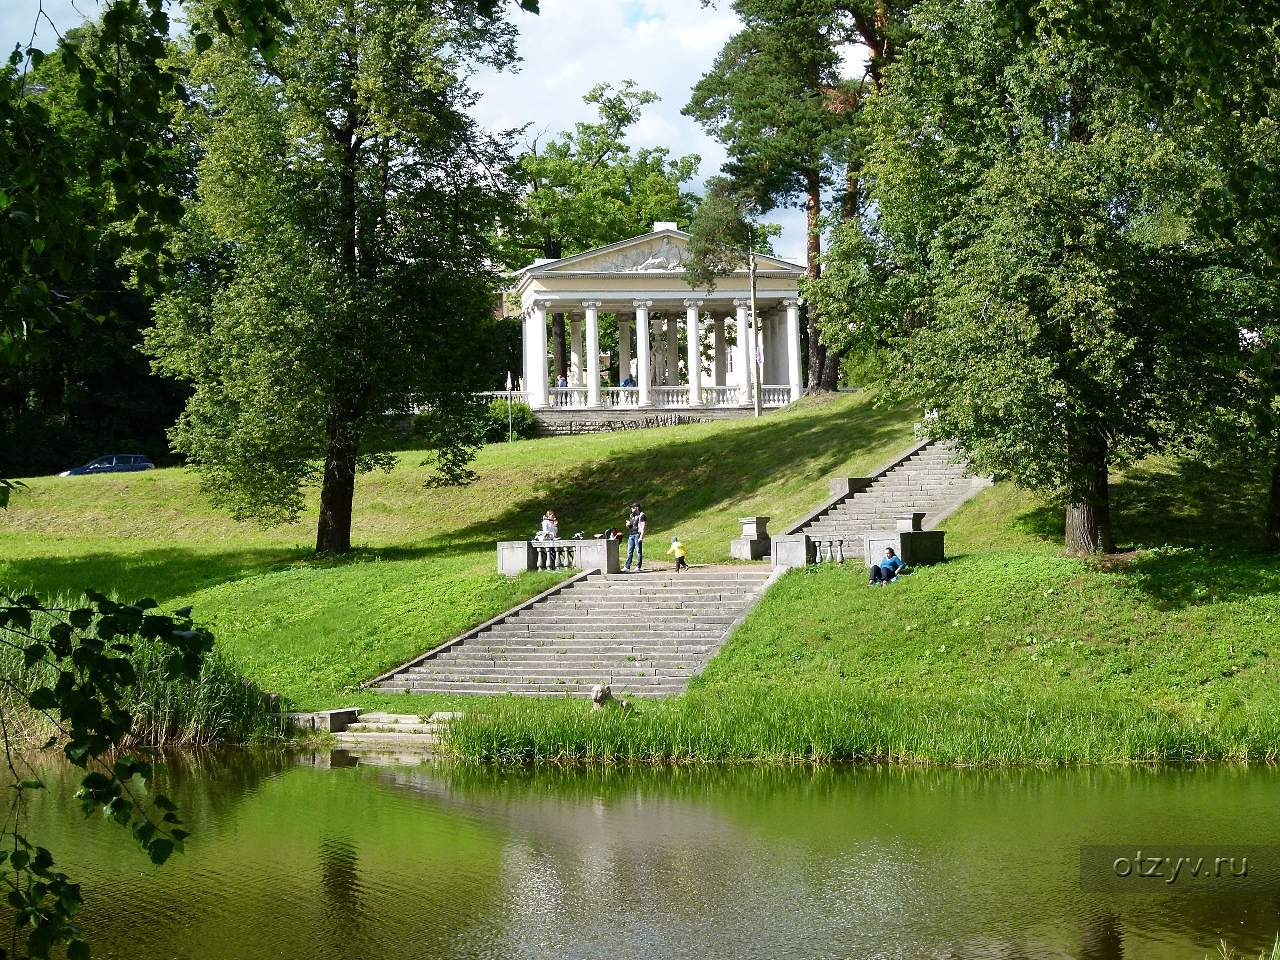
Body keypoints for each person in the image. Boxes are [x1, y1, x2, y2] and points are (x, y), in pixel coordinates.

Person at [624, 502, 646, 571]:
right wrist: (628, 525)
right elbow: (631, 526)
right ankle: (627, 567)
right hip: (631, 534)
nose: (631, 509)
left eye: (633, 507)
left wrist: (641, 537)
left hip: (637, 534)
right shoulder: (631, 515)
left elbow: (643, 527)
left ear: (637, 507)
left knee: (638, 551)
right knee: (629, 551)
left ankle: (638, 567)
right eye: (631, 507)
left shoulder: (642, 515)